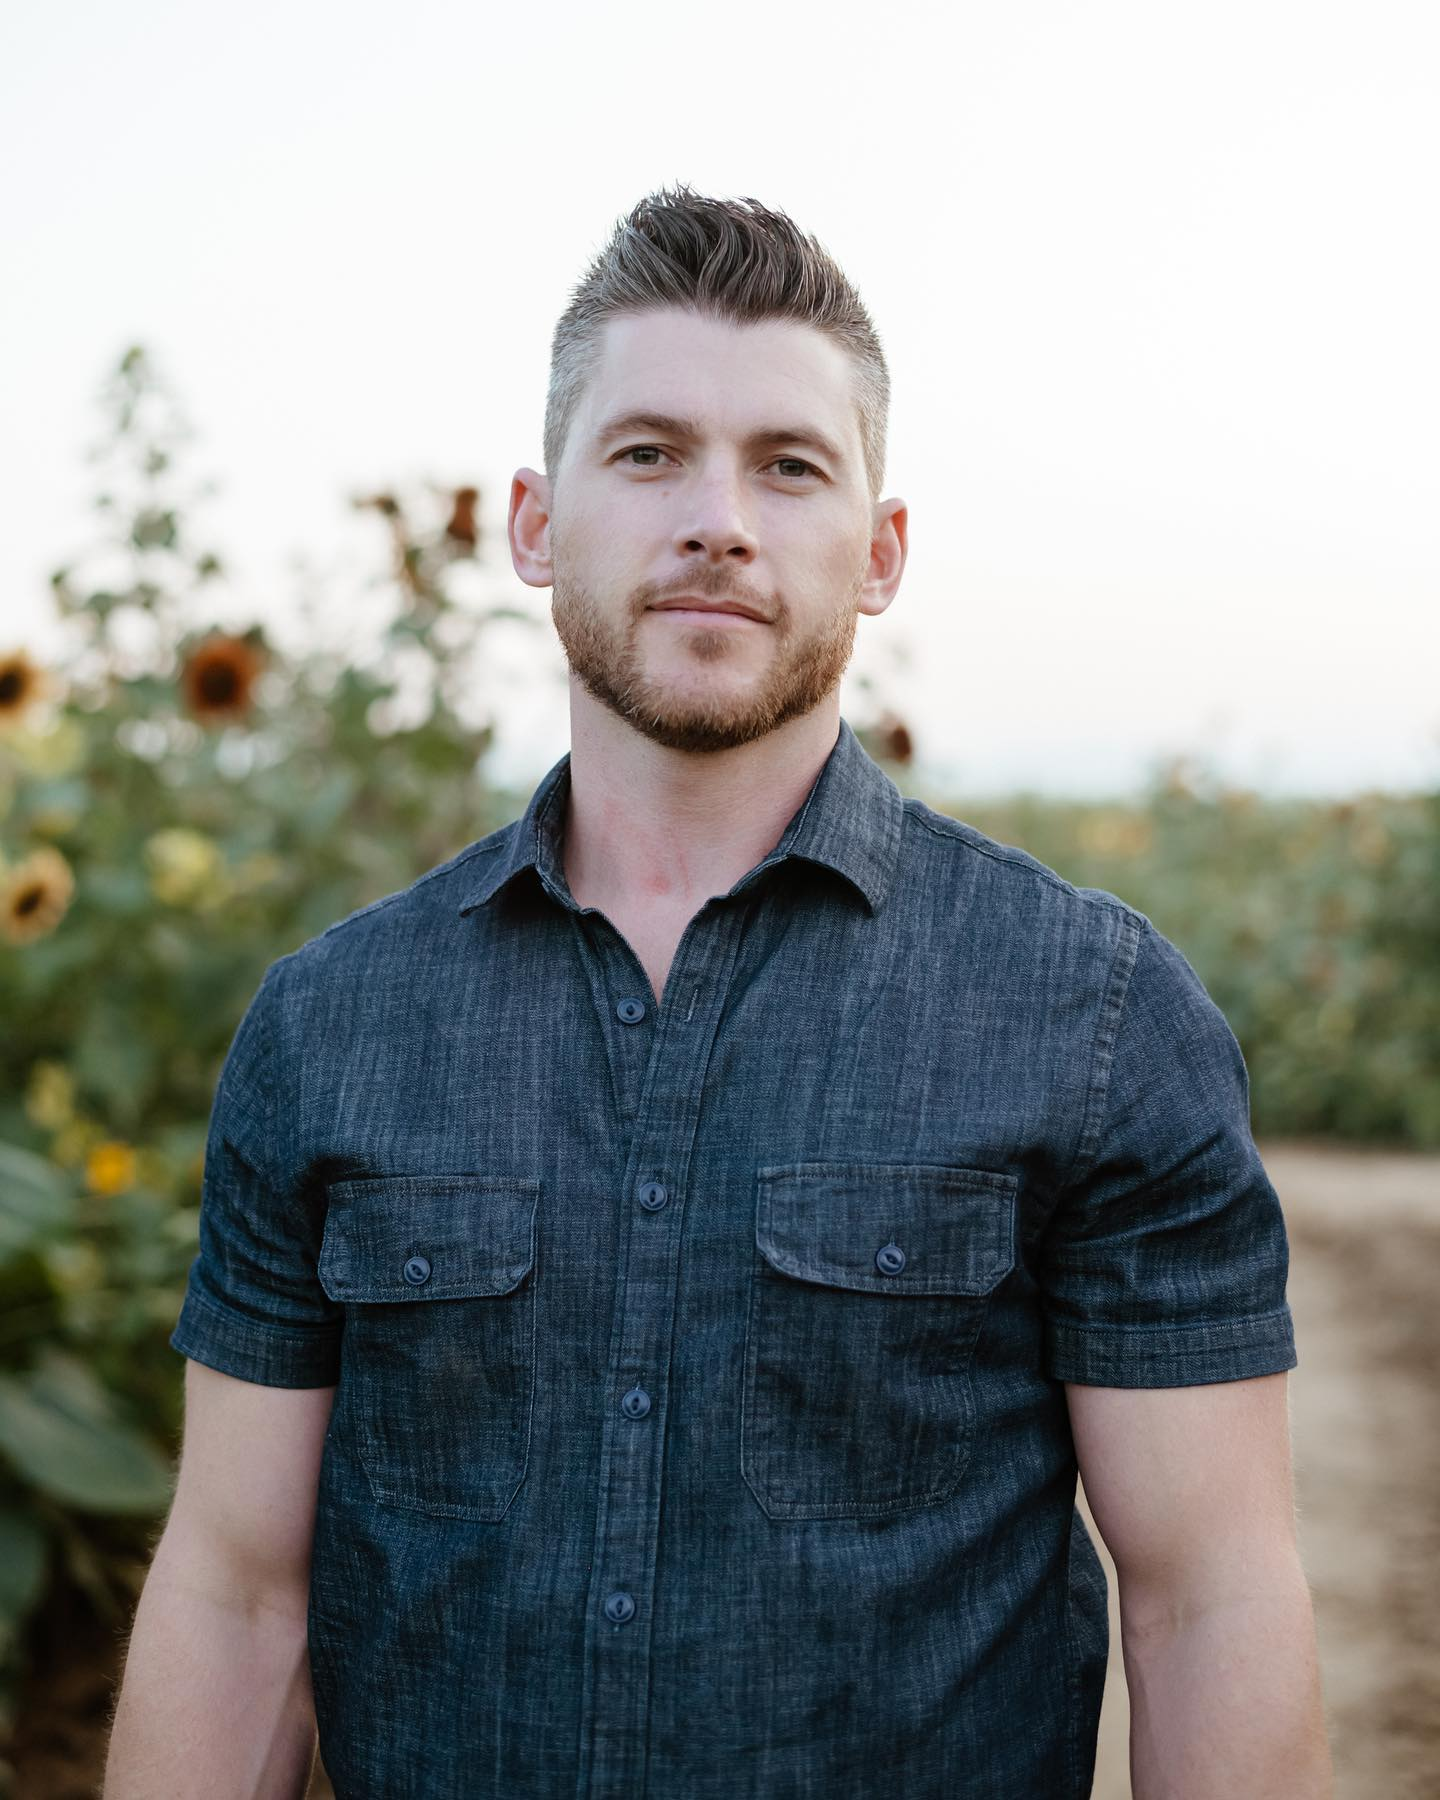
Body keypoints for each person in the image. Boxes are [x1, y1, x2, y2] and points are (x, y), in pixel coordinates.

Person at [105, 184, 1334, 1798]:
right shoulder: (331, 1027)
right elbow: (236, 1592)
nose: (720, 520)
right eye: (649, 452)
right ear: (538, 523)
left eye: (790, 465)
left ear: (879, 551)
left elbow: (1209, 1601)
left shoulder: (1092, 1017)